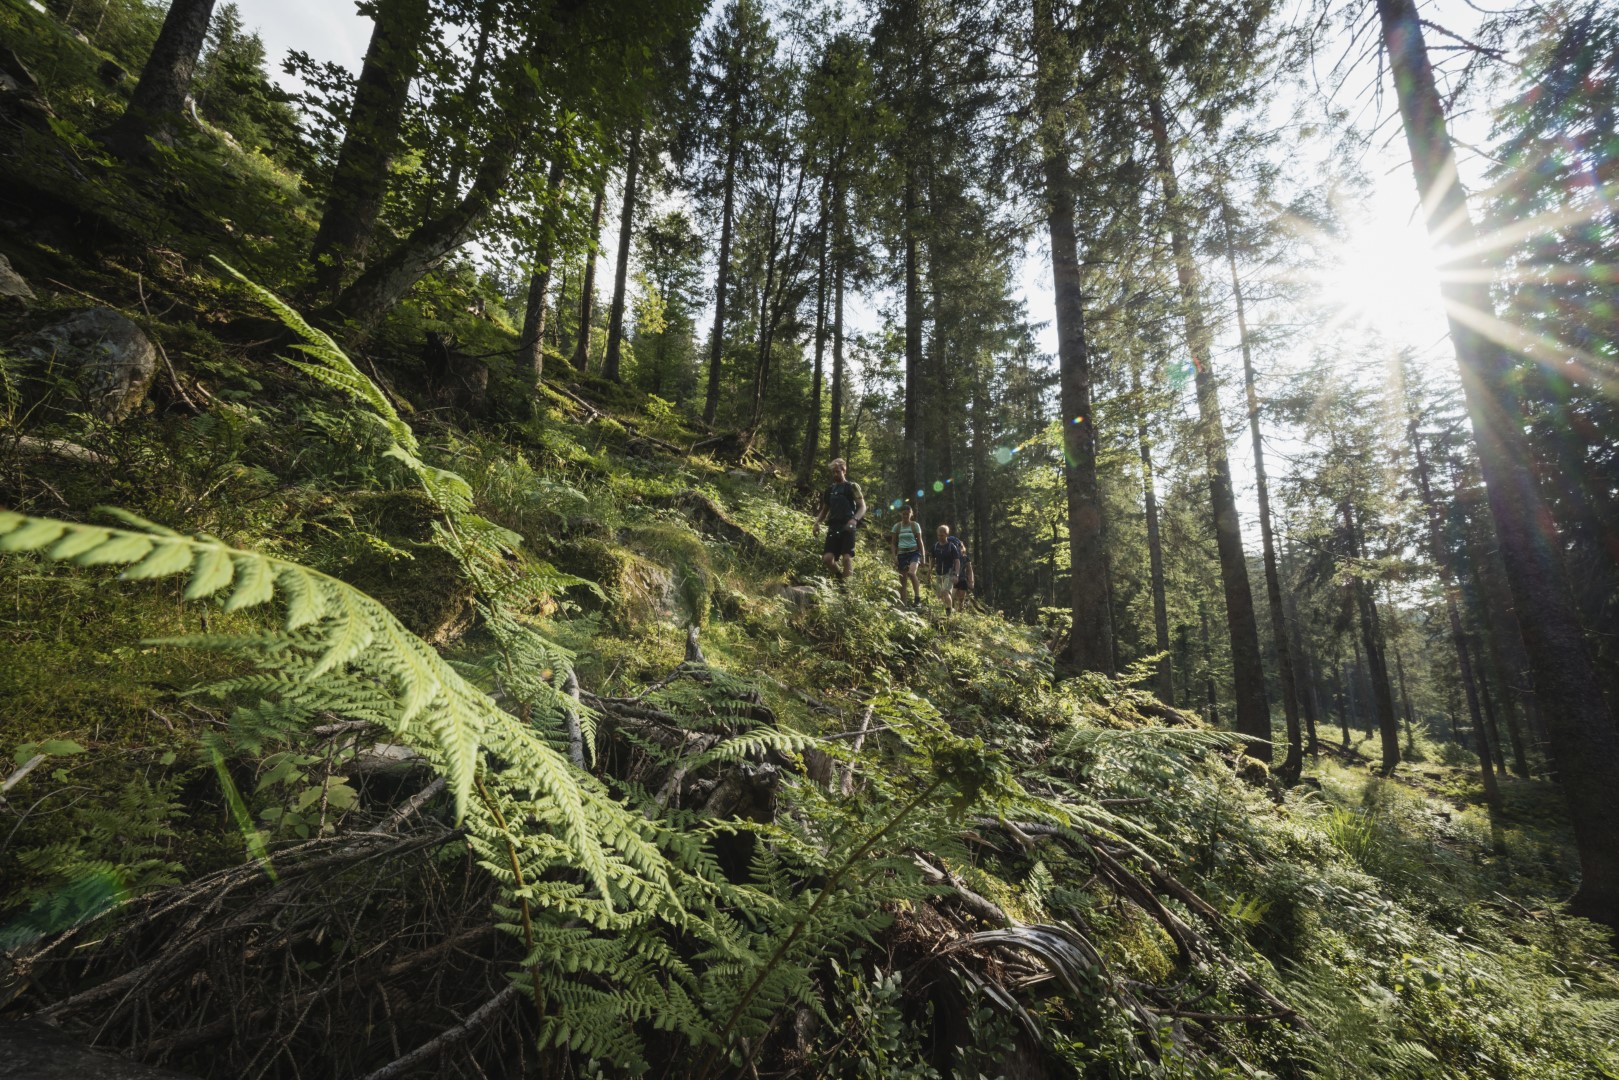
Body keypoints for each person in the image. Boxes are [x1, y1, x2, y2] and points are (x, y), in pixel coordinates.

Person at [812, 457, 866, 579]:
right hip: (833, 526)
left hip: (848, 526)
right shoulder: (830, 490)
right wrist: (817, 523)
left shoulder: (852, 487)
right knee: (827, 559)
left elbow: (862, 507)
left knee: (847, 558)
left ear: (844, 470)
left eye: (838, 471)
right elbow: (825, 510)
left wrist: (854, 520)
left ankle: (847, 591)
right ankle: (840, 579)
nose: (835, 474)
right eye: (833, 472)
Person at [888, 502, 925, 605]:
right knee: (902, 581)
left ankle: (917, 598)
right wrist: (894, 556)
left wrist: (923, 557)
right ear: (901, 514)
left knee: (911, 573)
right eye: (903, 514)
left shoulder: (915, 525)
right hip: (901, 554)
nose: (905, 516)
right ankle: (903, 605)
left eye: (907, 514)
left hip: (914, 553)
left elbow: (920, 541)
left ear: (911, 514)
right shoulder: (897, 526)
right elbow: (893, 543)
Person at [931, 524, 966, 615]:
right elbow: (932, 559)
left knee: (945, 592)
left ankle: (948, 613)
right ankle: (940, 613)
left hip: (949, 573)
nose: (940, 537)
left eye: (942, 535)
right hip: (938, 573)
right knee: (939, 595)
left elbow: (957, 561)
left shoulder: (951, 547)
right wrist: (929, 571)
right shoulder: (935, 546)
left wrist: (956, 574)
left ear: (946, 534)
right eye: (938, 535)